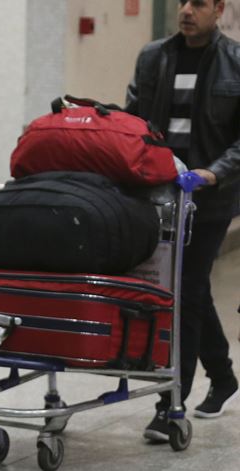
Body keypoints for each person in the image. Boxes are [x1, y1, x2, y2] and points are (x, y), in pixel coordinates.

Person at [125, 0, 240, 442]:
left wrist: (214, 173)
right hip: (162, 195)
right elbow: (135, 119)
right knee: (189, 288)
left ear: (219, 9)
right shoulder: (154, 56)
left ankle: (170, 404)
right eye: (182, 2)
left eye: (198, 3)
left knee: (185, 291)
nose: (187, 10)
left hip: (209, 199)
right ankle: (225, 376)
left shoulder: (234, 63)